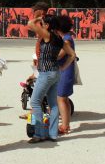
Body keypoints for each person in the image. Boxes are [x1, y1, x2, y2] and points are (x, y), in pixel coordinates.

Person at [27, 15, 75, 144]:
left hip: (46, 73)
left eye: (42, 23)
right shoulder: (59, 38)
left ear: (47, 25)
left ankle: (39, 134)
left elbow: (30, 24)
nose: (40, 25)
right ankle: (52, 134)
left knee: (35, 102)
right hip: (55, 72)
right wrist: (63, 67)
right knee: (53, 104)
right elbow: (72, 55)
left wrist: (38, 17)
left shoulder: (47, 35)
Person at [56, 14, 77, 135]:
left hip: (65, 70)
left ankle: (64, 126)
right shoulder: (66, 37)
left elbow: (60, 55)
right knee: (64, 99)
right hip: (65, 70)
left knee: (61, 99)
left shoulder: (66, 39)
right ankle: (66, 124)